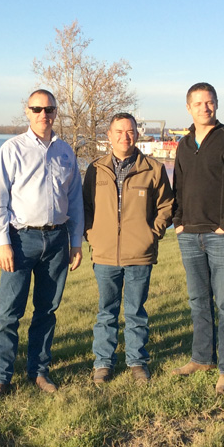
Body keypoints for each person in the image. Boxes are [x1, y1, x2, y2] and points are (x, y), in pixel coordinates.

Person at [0, 89, 83, 401]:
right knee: (8, 312)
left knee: (47, 310)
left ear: (56, 112)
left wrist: (76, 242)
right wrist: (2, 242)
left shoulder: (66, 152)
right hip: (20, 240)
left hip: (56, 240)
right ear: (27, 112)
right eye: (37, 109)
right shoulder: (11, 149)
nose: (44, 114)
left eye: (49, 109)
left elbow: (76, 202)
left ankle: (39, 370)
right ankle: (0, 378)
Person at [171, 83, 224, 395]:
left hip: (222, 236)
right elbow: (177, 187)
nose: (205, 108)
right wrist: (178, 223)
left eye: (209, 102)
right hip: (188, 234)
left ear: (217, 104)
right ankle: (202, 357)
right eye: (198, 103)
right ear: (189, 108)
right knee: (198, 301)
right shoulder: (183, 144)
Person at [83, 113, 173, 385]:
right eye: (119, 131)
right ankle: (103, 363)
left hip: (139, 253)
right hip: (105, 253)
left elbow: (166, 206)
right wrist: (92, 234)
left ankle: (137, 361)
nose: (125, 136)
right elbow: (86, 206)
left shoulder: (153, 169)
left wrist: (151, 234)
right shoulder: (96, 169)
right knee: (106, 312)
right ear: (109, 135)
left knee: (135, 312)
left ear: (137, 134)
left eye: (130, 131)